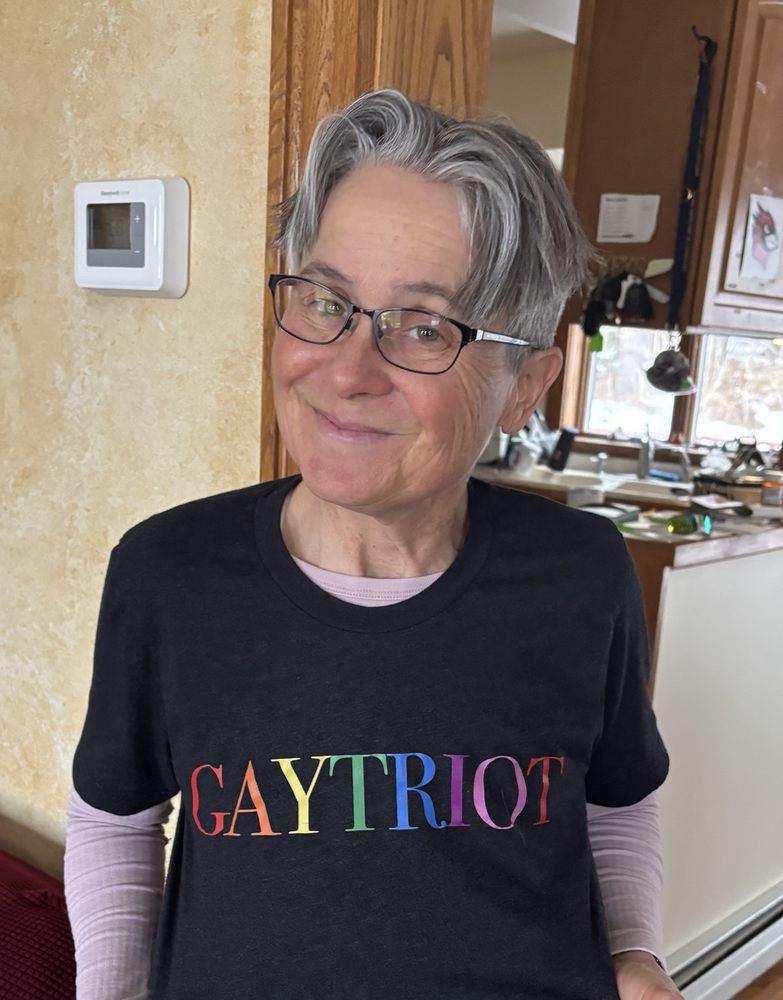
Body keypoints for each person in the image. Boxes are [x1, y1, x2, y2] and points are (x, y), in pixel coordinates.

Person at [65, 89, 681, 1000]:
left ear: (525, 386)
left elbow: (616, 801)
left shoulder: (579, 573)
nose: (347, 369)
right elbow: (115, 817)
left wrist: (636, 957)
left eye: (423, 327)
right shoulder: (170, 574)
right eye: (326, 302)